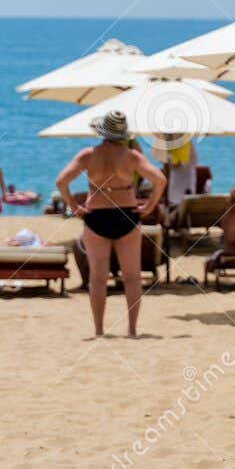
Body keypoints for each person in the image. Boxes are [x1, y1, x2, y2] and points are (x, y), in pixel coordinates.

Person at [55, 110, 167, 338]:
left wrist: (74, 207)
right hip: (127, 214)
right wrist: (149, 207)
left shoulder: (88, 155)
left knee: (97, 278)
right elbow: (160, 180)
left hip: (97, 216)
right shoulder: (131, 156)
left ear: (102, 133)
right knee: (132, 277)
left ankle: (99, 330)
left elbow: (61, 181)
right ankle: (132, 330)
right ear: (123, 134)